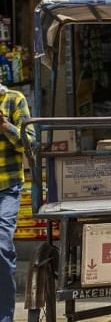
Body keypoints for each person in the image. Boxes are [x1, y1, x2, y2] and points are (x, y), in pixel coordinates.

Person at [0, 83, 32, 322]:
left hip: (6, 187)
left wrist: (4, 125)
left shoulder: (13, 99)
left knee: (1, 247)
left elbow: (30, 143)